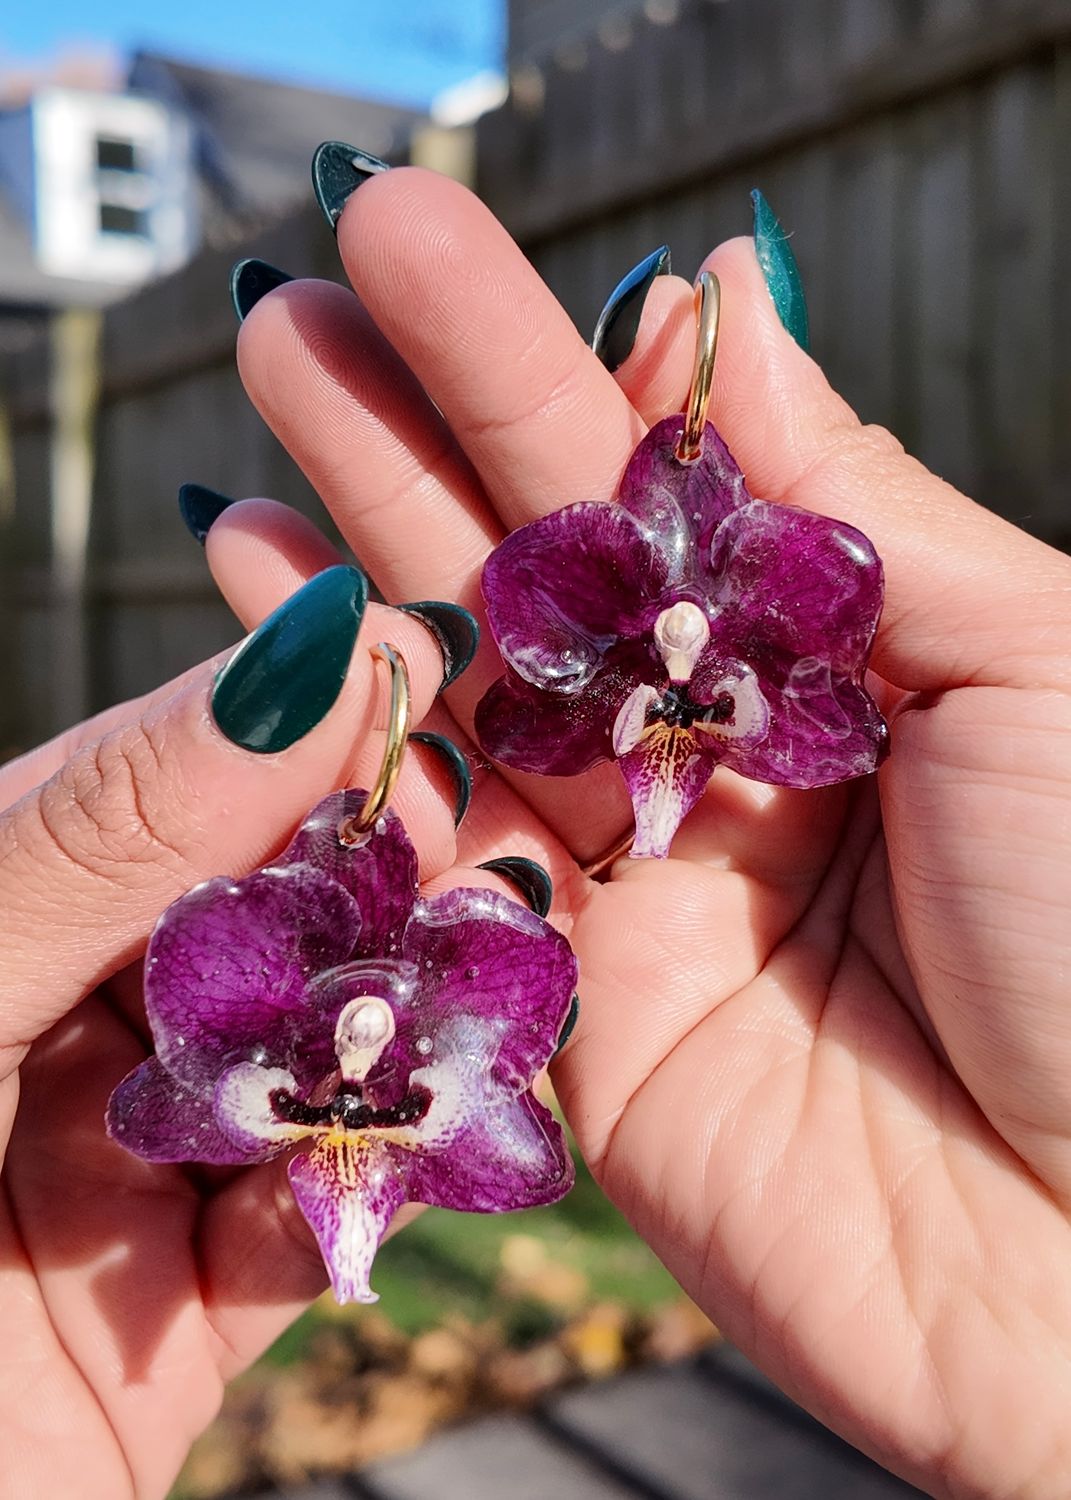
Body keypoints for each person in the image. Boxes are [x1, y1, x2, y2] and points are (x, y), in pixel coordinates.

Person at [1, 162, 1069, 1500]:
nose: (681, 678)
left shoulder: (761, 718)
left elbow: (836, 727)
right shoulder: (358, 994)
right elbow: (175, 1101)